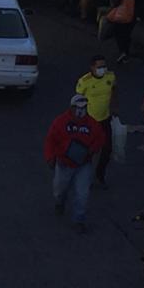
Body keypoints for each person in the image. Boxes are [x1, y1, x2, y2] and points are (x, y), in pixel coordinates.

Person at [44, 94, 106, 233]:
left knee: (82, 193)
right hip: (64, 164)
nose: (80, 111)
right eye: (77, 108)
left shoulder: (93, 124)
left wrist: (92, 149)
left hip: (83, 165)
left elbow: (100, 139)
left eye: (84, 108)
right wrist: (50, 157)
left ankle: (79, 219)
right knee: (59, 191)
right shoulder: (60, 122)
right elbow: (50, 140)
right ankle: (60, 203)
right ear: (71, 108)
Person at [75, 55, 117, 188]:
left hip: (105, 119)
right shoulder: (85, 81)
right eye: (99, 67)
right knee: (88, 151)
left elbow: (114, 91)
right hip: (90, 121)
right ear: (92, 67)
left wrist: (114, 108)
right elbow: (78, 100)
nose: (102, 69)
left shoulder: (110, 77)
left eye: (104, 66)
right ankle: (83, 176)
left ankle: (100, 175)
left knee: (107, 149)